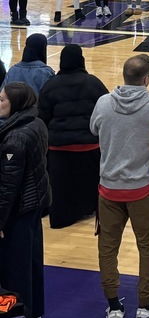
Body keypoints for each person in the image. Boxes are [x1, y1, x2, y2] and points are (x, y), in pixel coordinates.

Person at [91, 54, 149, 318]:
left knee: (107, 249)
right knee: (147, 248)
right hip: (144, 189)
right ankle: (145, 306)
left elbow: (93, 128)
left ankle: (113, 308)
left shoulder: (103, 103)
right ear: (146, 79)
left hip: (109, 189)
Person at [38, 45, 108, 228]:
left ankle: (63, 216)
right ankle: (88, 208)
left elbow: (42, 117)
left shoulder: (50, 85)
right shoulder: (93, 83)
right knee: (88, 180)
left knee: (62, 186)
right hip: (90, 145)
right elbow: (107, 109)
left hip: (59, 148)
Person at [0, 82, 51, 318]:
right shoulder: (36, 123)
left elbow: (8, 186)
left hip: (18, 210)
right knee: (32, 262)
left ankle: (17, 316)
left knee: (15, 267)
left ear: (16, 103)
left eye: (2, 100)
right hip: (34, 204)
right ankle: (35, 310)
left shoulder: (15, 138)